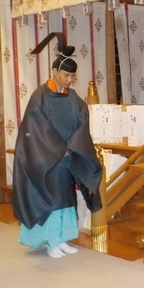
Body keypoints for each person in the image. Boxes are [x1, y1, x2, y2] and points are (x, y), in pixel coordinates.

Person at [12, 33, 103, 258]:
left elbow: (83, 120)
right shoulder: (39, 96)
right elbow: (35, 128)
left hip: (68, 158)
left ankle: (61, 239)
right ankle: (51, 241)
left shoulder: (73, 98)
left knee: (65, 199)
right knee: (51, 199)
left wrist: (73, 146)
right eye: (66, 75)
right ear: (54, 72)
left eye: (73, 76)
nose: (70, 80)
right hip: (47, 161)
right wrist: (56, 149)